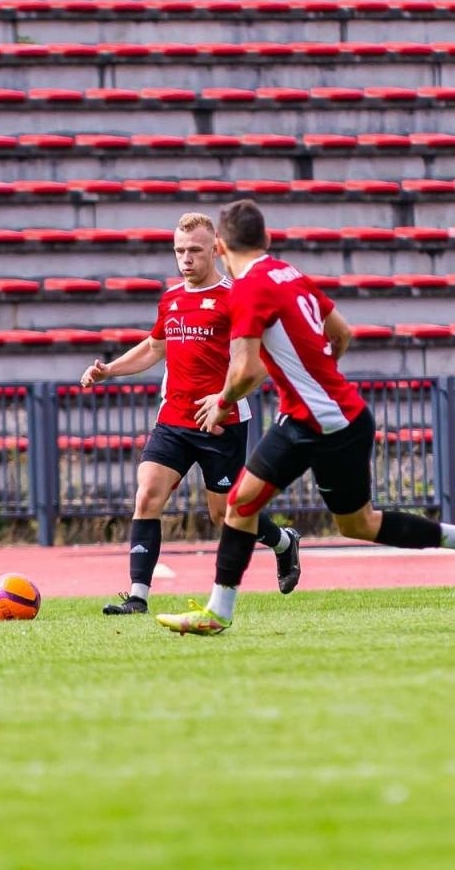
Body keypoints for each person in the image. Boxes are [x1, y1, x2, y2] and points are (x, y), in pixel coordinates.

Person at [155, 200, 455, 636]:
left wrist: (222, 402)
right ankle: (217, 613)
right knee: (242, 504)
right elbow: (342, 332)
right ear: (267, 239)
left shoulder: (247, 289)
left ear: (219, 246)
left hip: (329, 425)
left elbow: (242, 372)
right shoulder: (290, 273)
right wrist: (316, 379)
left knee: (357, 524)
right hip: (317, 418)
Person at [81, 212, 301, 616]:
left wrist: (223, 396)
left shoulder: (236, 297)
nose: (185, 259)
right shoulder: (171, 298)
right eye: (179, 251)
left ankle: (284, 542)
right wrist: (109, 369)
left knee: (224, 515)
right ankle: (137, 596)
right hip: (174, 419)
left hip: (222, 421)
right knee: (147, 494)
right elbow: (154, 347)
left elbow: (259, 361)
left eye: (194, 251)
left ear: (215, 248)